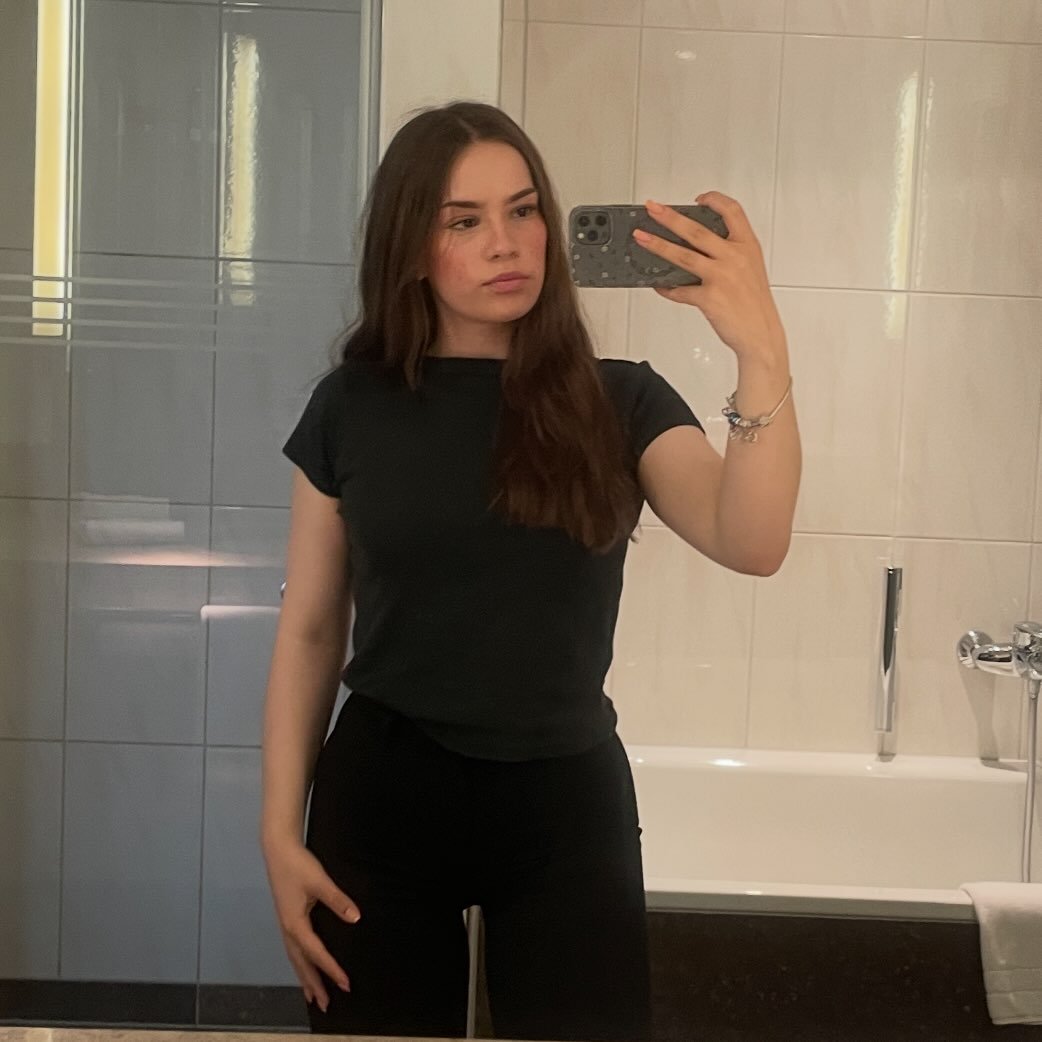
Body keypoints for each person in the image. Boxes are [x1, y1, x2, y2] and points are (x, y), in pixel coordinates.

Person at [260, 101, 801, 1042]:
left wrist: (761, 347)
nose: (505, 243)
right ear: (411, 247)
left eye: (522, 211)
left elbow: (751, 540)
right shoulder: (351, 406)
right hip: (386, 795)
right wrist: (277, 831)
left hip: (564, 803)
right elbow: (310, 629)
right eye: (463, 221)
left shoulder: (620, 398)